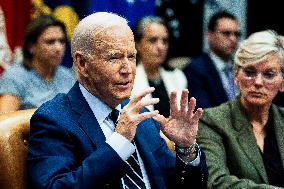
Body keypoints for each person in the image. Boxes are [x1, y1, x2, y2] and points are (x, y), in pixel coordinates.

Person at [28, 12, 208, 188]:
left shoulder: (142, 117)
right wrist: (119, 142)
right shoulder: (54, 119)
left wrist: (186, 150)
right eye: (114, 57)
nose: (128, 69)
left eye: (131, 56)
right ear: (82, 64)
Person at [197, 30, 284, 188]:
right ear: (236, 75)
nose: (258, 82)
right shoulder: (212, 121)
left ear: (282, 82)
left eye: (269, 74)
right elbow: (216, 182)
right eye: (249, 72)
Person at [0, 15, 75, 113]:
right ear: (31, 47)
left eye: (62, 41)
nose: (58, 48)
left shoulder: (67, 75)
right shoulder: (14, 77)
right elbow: (6, 121)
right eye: (50, 42)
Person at [131, 16, 187, 118]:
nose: (161, 47)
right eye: (153, 40)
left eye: (165, 41)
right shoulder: (128, 79)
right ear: (137, 44)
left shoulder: (177, 76)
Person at [183, 11, 241, 108]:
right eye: (226, 33)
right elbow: (204, 112)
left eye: (236, 34)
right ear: (209, 35)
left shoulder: (241, 68)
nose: (233, 39)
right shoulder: (195, 69)